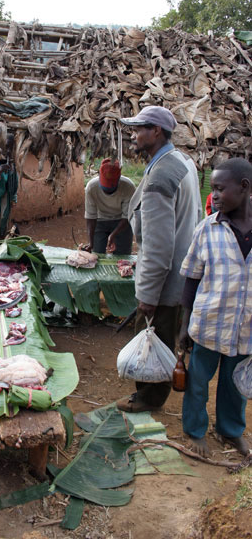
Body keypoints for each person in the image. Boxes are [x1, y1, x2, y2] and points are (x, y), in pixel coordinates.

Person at [116, 106, 202, 413]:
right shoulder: (182, 163)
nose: (134, 134)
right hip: (181, 273)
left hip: (165, 280)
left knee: (154, 337)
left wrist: (148, 295)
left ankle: (149, 399)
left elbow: (157, 246)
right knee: (163, 336)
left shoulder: (160, 177)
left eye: (140, 129)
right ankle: (151, 395)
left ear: (156, 132)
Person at [179, 158, 251, 458]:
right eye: (213, 189)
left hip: (246, 328)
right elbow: (191, 281)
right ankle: (194, 431)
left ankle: (230, 430)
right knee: (197, 381)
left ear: (244, 188)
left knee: (236, 384)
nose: (215, 195)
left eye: (220, 188)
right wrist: (184, 328)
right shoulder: (207, 229)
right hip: (209, 324)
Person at [84, 159, 135, 254]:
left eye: (111, 187)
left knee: (122, 256)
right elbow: (91, 217)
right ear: (99, 176)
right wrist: (91, 243)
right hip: (100, 220)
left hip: (122, 221)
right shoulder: (91, 188)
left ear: (119, 178)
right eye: (105, 187)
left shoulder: (128, 187)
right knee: (97, 254)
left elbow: (127, 216)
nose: (107, 191)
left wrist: (113, 235)